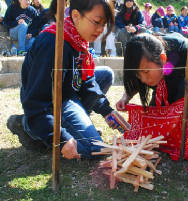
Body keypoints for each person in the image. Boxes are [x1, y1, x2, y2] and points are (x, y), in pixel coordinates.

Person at [20, 0, 127, 160]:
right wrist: (61, 138)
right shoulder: (52, 43)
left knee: (105, 74)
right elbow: (36, 102)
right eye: (97, 22)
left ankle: (73, 123)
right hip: (52, 102)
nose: (100, 30)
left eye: (103, 24)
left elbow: (86, 80)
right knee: (96, 148)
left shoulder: (78, 39)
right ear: (76, 16)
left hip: (69, 92)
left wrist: (107, 111)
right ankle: (29, 126)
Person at [116, 32, 188, 113]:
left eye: (146, 72)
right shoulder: (146, 54)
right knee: (156, 118)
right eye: (138, 74)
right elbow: (138, 76)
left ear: (162, 59)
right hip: (164, 86)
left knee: (178, 121)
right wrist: (126, 97)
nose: (143, 79)